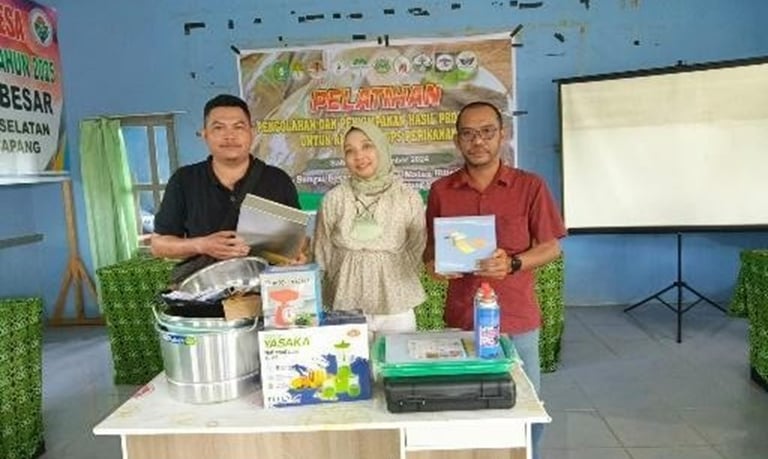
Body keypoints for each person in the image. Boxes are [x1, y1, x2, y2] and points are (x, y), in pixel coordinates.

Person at [423, 101, 566, 459]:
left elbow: (551, 248)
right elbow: (430, 256)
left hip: (516, 320)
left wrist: (514, 263)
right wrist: (435, 267)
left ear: (503, 134)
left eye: (487, 132)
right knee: (465, 410)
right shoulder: (441, 191)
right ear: (457, 140)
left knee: (526, 409)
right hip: (463, 323)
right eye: (468, 134)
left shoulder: (530, 186)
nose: (478, 141)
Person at [151, 94, 302, 281]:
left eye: (238, 127)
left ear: (252, 133)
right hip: (204, 290)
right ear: (204, 134)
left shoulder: (277, 180)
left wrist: (297, 254)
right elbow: (159, 245)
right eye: (219, 127)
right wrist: (202, 245)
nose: (230, 136)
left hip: (265, 290)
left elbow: (297, 241)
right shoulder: (184, 180)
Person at [313, 122, 426, 337]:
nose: (359, 156)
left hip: (396, 303)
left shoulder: (408, 197)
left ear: (381, 147)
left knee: (395, 359)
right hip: (346, 302)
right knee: (348, 358)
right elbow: (322, 250)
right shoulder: (334, 199)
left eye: (367, 146)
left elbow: (417, 246)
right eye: (350, 150)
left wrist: (388, 270)